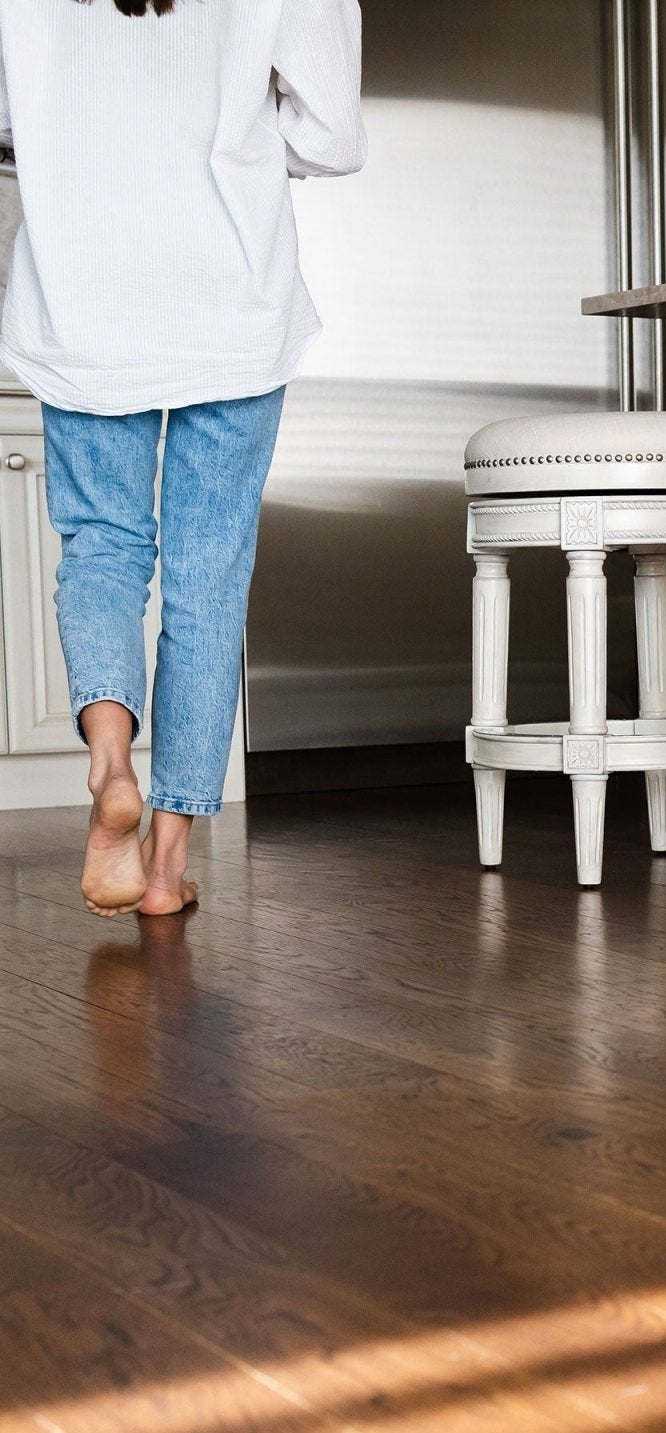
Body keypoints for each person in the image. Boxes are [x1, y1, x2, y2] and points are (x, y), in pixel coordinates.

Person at [0, 0, 366, 915]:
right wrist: (225, 132)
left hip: (80, 300)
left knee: (102, 548)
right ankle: (163, 871)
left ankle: (111, 758)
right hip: (230, 298)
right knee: (208, 577)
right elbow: (331, 132)